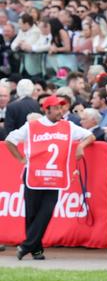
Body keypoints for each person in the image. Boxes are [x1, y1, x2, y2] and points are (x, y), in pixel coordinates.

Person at [5, 95, 95, 260]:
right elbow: (10, 140)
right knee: (31, 215)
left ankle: (26, 245)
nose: (60, 111)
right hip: (33, 176)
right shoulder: (31, 126)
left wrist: (81, 146)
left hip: (54, 178)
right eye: (56, 108)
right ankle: (36, 250)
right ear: (47, 110)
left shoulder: (68, 126)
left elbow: (90, 135)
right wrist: (20, 159)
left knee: (46, 213)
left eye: (61, 108)